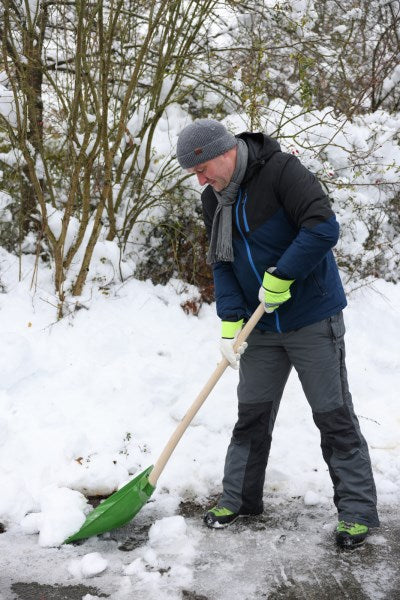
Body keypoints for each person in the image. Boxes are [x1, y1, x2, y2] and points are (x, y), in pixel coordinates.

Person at [176, 118, 379, 549]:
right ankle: (239, 498)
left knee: (333, 416)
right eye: (195, 175)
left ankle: (357, 511)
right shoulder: (212, 200)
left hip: (311, 318)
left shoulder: (283, 171)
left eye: (202, 169)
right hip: (260, 325)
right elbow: (222, 261)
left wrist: (283, 275)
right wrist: (231, 318)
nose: (200, 180)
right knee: (251, 416)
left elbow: (323, 226)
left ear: (224, 151)